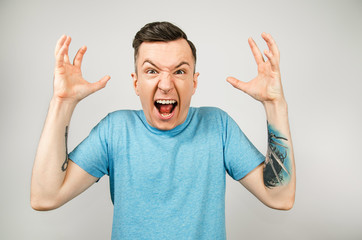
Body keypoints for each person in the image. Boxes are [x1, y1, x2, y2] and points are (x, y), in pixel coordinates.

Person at [31, 22, 295, 239]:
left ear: (194, 82)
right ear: (136, 83)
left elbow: (280, 197)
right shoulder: (116, 130)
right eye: (151, 71)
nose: (166, 84)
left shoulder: (218, 126)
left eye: (179, 71)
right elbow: (45, 196)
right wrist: (62, 103)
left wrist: (275, 104)